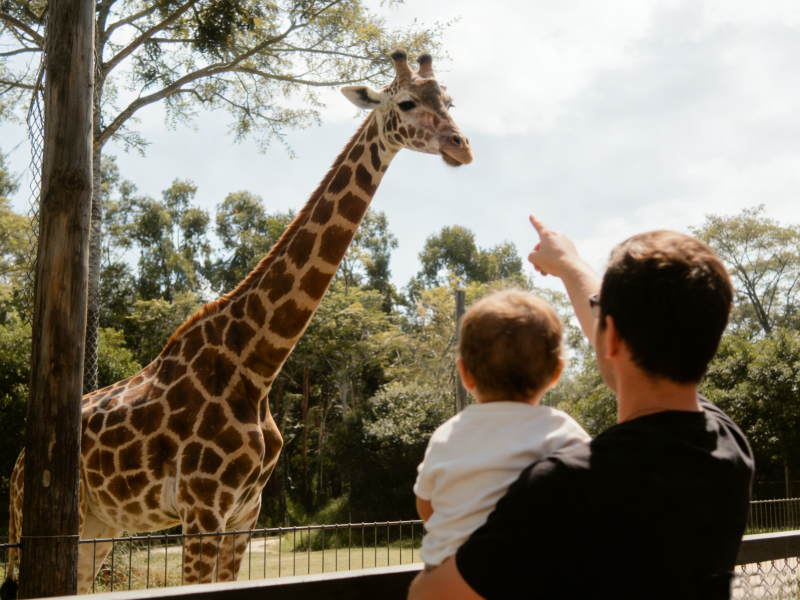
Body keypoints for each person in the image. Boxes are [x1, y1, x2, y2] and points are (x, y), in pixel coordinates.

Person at [408, 216, 754, 600]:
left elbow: (431, 593)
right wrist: (569, 263)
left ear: (613, 337)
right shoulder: (730, 446)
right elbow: (627, 349)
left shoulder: (567, 486)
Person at [414, 289, 591, 569]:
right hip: (523, 575)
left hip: (446, 572)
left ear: (464, 373)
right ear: (556, 372)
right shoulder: (560, 430)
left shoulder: (446, 435)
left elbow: (426, 506)